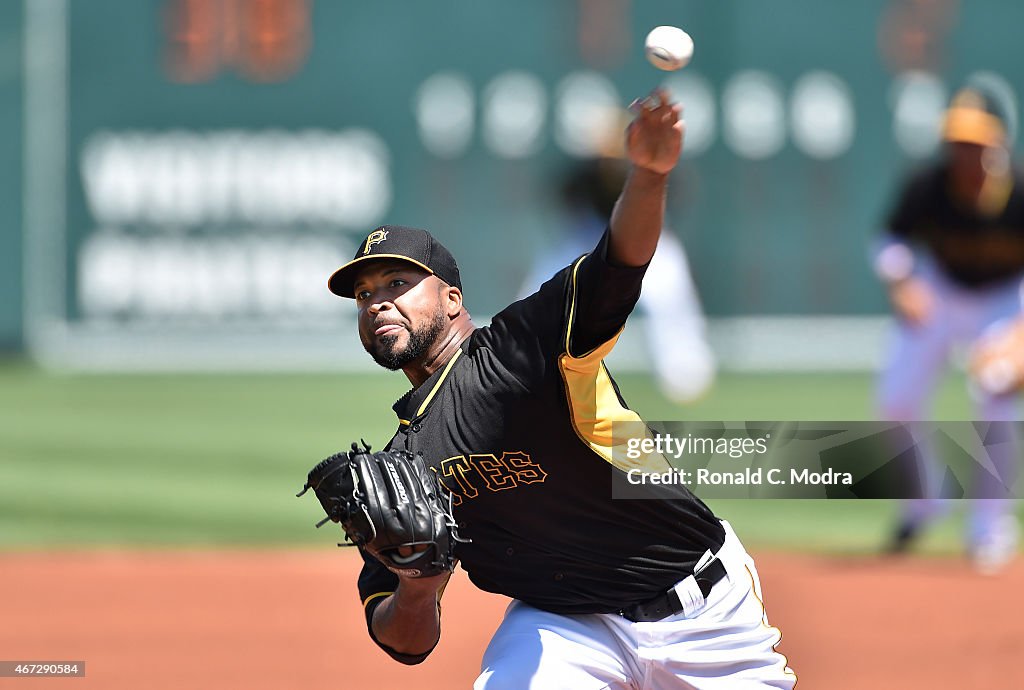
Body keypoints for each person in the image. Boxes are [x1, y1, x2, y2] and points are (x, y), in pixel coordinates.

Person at [326, 88, 795, 688]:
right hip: (561, 628)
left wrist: (648, 177)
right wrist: (417, 589)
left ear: (451, 298)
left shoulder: (527, 347)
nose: (378, 303)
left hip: (699, 611)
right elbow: (405, 644)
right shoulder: (401, 470)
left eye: (396, 281)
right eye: (364, 295)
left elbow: (618, 263)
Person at [874, 82, 1023, 573]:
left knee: (997, 389)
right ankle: (924, 504)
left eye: (976, 143)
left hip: (1005, 300)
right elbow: (889, 239)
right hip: (941, 292)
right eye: (957, 142)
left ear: (999, 143)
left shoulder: (1018, 193)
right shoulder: (930, 186)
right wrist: (902, 283)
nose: (964, 153)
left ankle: (989, 528)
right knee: (895, 398)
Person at [519, 152, 716, 404]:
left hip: (642, 236)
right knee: (542, 286)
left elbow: (675, 193)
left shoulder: (648, 165)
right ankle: (520, 359)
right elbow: (562, 197)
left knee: (669, 287)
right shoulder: (584, 172)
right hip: (589, 236)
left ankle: (685, 366)